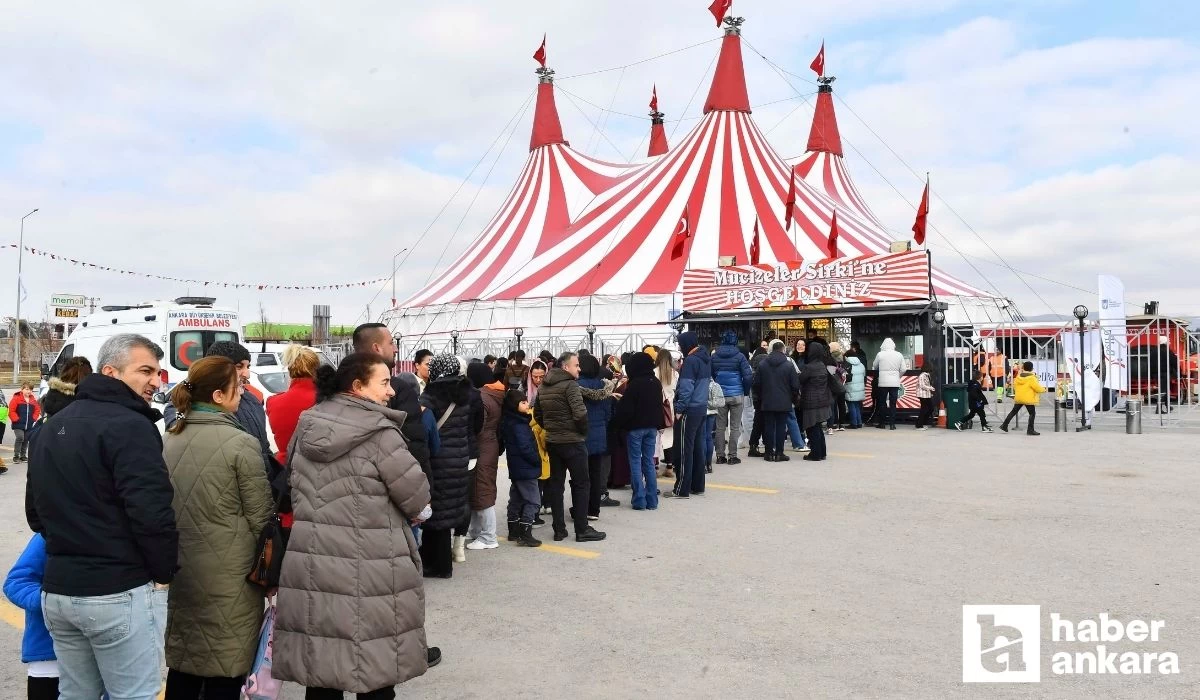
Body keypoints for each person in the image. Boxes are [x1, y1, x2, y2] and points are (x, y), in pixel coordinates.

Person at [274, 353, 431, 700]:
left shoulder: (308, 422)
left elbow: (291, 482)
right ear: (357, 387)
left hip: (312, 558)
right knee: (373, 668)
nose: (391, 392)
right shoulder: (380, 433)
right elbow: (416, 496)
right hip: (371, 563)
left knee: (322, 667)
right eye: (385, 382)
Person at [27, 334, 176, 699]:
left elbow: (36, 514)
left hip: (60, 590)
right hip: (117, 591)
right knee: (134, 695)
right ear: (110, 371)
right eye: (145, 371)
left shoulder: (51, 427)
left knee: (77, 695)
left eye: (157, 372)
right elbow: (151, 512)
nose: (155, 381)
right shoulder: (131, 426)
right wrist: (163, 574)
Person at [162, 356, 273, 699]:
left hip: (182, 567)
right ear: (218, 397)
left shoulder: (169, 438)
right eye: (236, 387)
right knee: (227, 662)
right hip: (232, 572)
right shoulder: (241, 443)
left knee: (185, 658)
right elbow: (261, 517)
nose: (242, 391)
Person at [165, 341, 273, 473]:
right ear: (215, 369)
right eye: (239, 367)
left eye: (248, 366)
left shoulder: (252, 401)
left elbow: (264, 448)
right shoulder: (183, 404)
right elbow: (179, 430)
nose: (247, 374)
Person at [534, 351, 606, 542]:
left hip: (554, 442)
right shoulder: (570, 386)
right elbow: (580, 414)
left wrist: (552, 429)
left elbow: (538, 416)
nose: (579, 368)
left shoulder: (544, 386)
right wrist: (581, 433)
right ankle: (582, 529)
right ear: (566, 367)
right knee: (581, 484)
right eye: (576, 365)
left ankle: (559, 529)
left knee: (557, 486)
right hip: (573, 442)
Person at [418, 354, 474, 578]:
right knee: (447, 511)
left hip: (438, 460)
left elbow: (423, 429)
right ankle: (440, 562)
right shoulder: (464, 394)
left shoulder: (431, 397)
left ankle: (439, 566)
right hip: (459, 460)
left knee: (435, 515)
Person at [5, 533, 59, 700]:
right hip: (49, 658)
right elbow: (17, 582)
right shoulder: (50, 533)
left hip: (109, 660)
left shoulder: (125, 531)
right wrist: (53, 601)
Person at [611, 352, 665, 510]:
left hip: (635, 429)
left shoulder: (634, 384)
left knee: (635, 463)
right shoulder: (655, 382)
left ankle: (639, 500)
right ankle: (652, 500)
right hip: (651, 428)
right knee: (648, 462)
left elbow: (626, 410)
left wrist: (617, 424)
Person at [664, 332, 711, 499]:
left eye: (680, 344)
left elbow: (686, 387)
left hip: (689, 410)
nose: (679, 347)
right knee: (698, 448)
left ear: (686, 344)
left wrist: (679, 409)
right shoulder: (705, 358)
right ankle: (698, 486)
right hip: (701, 408)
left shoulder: (691, 361)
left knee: (684, 449)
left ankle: (681, 489)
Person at [466, 362, 505, 551]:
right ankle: (475, 531)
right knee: (478, 488)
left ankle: (489, 536)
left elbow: (477, 426)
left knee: (482, 490)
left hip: (481, 446)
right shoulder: (495, 393)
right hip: (490, 445)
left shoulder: (481, 397)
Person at [498, 389, 542, 547]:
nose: (527, 405)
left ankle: (513, 529)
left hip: (517, 468)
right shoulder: (519, 424)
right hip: (526, 468)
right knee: (533, 501)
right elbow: (525, 448)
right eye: (523, 403)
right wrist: (537, 460)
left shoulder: (509, 421)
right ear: (513, 405)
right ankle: (525, 532)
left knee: (516, 498)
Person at [578, 354, 619, 519]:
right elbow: (609, 415)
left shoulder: (574, 387)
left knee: (580, 476)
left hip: (580, 436)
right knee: (595, 473)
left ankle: (581, 509)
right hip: (600, 435)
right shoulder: (605, 388)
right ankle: (593, 510)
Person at [266, 345, 321, 464]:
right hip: (318, 467)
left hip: (285, 467)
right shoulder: (326, 400)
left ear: (290, 371)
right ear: (317, 370)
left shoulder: (273, 402)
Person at [710, 330, 751, 465]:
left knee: (720, 427)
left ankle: (720, 456)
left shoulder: (715, 356)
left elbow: (711, 375)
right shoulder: (740, 356)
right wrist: (745, 391)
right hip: (736, 395)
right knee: (735, 427)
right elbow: (747, 376)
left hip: (720, 396)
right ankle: (732, 456)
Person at [754, 340, 799, 462]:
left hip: (767, 401)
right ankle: (779, 453)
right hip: (784, 401)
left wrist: (760, 397)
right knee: (780, 427)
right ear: (783, 350)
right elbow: (795, 385)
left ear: (771, 350)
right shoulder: (789, 365)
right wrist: (793, 398)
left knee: (768, 426)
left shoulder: (763, 364)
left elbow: (756, 384)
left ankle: (768, 453)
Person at [799, 341, 840, 461]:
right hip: (823, 400)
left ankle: (815, 454)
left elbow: (800, 380)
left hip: (811, 401)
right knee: (818, 428)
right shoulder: (822, 365)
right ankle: (822, 452)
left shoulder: (809, 367)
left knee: (812, 428)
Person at [1000, 361, 1047, 435]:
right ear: (1032, 369)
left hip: (1019, 397)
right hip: (1028, 399)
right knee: (1032, 413)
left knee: (1013, 411)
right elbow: (1037, 388)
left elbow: (1015, 386)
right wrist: (1044, 389)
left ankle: (1004, 425)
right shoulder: (1032, 378)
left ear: (1023, 368)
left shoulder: (1019, 377)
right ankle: (1030, 430)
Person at [872, 338, 907, 430]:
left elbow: (874, 366)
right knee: (893, 404)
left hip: (882, 383)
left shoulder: (880, 354)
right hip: (895, 383)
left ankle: (882, 423)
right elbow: (904, 369)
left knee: (882, 403)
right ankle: (892, 424)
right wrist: (897, 376)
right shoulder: (899, 355)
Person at [655, 350, 678, 478]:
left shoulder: (654, 372)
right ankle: (670, 466)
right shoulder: (674, 373)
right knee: (669, 437)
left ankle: (655, 466)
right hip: (670, 408)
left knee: (656, 438)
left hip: (657, 407)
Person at [9, 383, 41, 464]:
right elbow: (11, 410)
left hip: (29, 424)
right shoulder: (16, 398)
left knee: (26, 439)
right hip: (18, 424)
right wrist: (16, 419)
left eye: (30, 389)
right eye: (26, 389)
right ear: (22, 389)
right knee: (20, 437)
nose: (29, 391)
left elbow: (37, 410)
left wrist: (33, 418)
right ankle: (16, 456)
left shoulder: (33, 400)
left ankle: (23, 456)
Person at [844, 350, 866, 428]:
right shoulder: (861, 365)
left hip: (850, 387)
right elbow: (864, 376)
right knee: (857, 405)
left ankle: (854, 423)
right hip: (859, 388)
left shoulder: (847, 365)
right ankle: (859, 422)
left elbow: (845, 377)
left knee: (851, 405)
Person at [914, 364, 936, 430]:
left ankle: (920, 423)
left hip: (927, 394)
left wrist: (930, 389)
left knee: (930, 408)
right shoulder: (922, 376)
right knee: (924, 409)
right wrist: (930, 388)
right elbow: (922, 385)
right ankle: (919, 425)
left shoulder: (927, 375)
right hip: (922, 395)